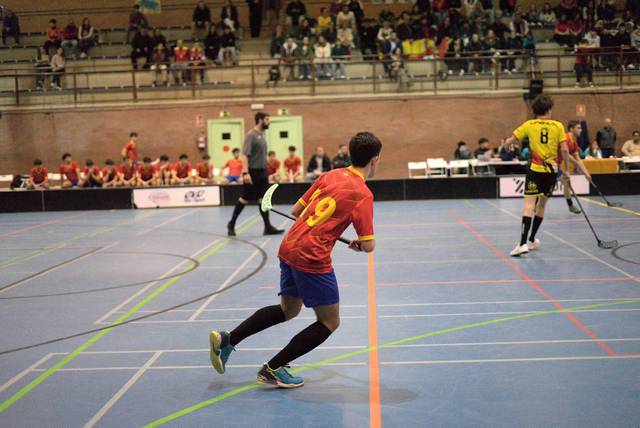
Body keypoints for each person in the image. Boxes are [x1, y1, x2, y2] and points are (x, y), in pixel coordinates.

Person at [208, 132, 382, 388]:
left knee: (288, 310)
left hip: (289, 247)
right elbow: (368, 245)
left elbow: (296, 210)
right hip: (311, 257)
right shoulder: (362, 194)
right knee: (329, 322)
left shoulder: (329, 175)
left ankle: (228, 339)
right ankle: (274, 368)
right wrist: (359, 244)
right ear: (375, 159)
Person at [501, 94, 570, 257]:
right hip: (552, 172)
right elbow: (565, 150)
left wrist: (508, 146)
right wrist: (566, 170)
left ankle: (523, 243)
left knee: (528, 206)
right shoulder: (558, 126)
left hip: (535, 171)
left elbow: (508, 142)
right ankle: (532, 239)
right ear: (550, 109)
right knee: (542, 206)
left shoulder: (529, 124)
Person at [226, 112, 284, 236]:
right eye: (267, 119)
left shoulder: (262, 135)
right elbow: (245, 155)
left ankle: (267, 227)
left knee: (263, 199)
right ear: (260, 120)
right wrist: (246, 173)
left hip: (262, 172)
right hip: (252, 172)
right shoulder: (251, 135)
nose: (269, 122)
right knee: (245, 198)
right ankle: (231, 223)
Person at [559, 120, 592, 214]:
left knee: (566, 182)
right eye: (578, 128)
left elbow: (578, 159)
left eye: (581, 128)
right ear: (571, 129)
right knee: (564, 182)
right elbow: (564, 152)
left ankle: (570, 205)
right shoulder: (565, 137)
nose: (581, 130)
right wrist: (575, 163)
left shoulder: (574, 143)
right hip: (551, 162)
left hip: (558, 165)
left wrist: (586, 174)